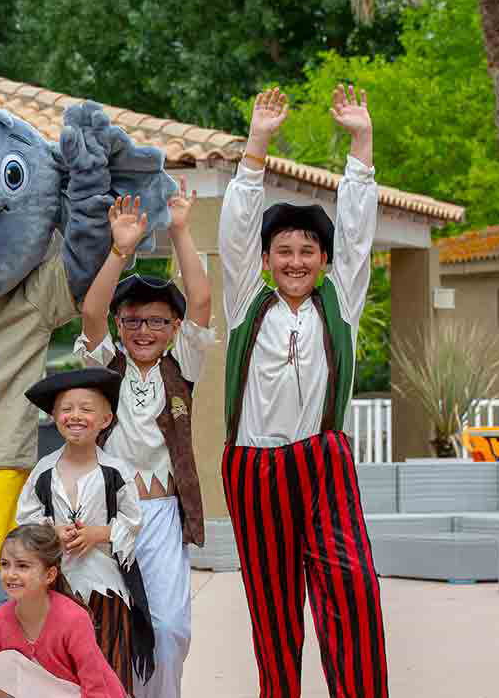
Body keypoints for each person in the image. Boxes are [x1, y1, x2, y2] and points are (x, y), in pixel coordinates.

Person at [219, 85, 388, 697]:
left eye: (307, 251)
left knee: (354, 591)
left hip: (324, 461)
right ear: (266, 260)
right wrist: (257, 146)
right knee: (274, 610)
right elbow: (236, 232)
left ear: (323, 260)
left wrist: (360, 143)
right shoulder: (245, 303)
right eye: (283, 251)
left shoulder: (339, 302)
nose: (294, 260)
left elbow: (359, 229)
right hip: (255, 467)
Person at [74, 183, 218, 698]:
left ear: (174, 327)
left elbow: (202, 299)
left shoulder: (183, 368)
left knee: (168, 626)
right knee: (109, 624)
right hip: (107, 511)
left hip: (161, 515)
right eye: (133, 319)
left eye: (157, 321)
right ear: (121, 323)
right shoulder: (106, 368)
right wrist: (120, 251)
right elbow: (90, 314)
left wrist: (180, 230)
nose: (143, 329)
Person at [16, 368, 151, 696]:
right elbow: (26, 521)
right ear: (54, 416)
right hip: (57, 585)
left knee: (107, 660)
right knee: (58, 663)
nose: (76, 416)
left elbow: (132, 523)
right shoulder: (44, 471)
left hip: (105, 585)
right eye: (67, 409)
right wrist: (52, 535)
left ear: (105, 419)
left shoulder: (115, 472)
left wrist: (99, 533)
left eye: (87, 409)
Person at [0, 524, 126, 698]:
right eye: (5, 564)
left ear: (49, 575)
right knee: (2, 664)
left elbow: (95, 687)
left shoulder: (74, 619)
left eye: (22, 566)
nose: (11, 574)